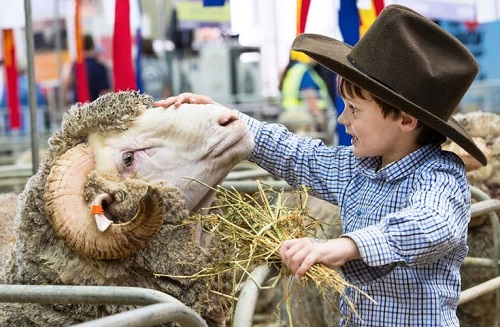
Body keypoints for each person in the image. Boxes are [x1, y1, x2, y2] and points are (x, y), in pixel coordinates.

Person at [154, 5, 487, 326]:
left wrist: (345, 246)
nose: (342, 119)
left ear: (405, 118)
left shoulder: (441, 177)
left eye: (354, 109)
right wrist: (225, 118)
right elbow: (296, 154)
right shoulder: (357, 169)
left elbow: (432, 224)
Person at [279, 53, 333, 133]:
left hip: (289, 114)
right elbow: (311, 101)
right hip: (302, 117)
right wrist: (321, 122)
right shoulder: (304, 71)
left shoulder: (293, 69)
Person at [64, 34, 111, 104]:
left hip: (79, 108)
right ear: (93, 46)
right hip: (95, 108)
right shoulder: (100, 66)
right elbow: (105, 92)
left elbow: (68, 85)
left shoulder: (75, 65)